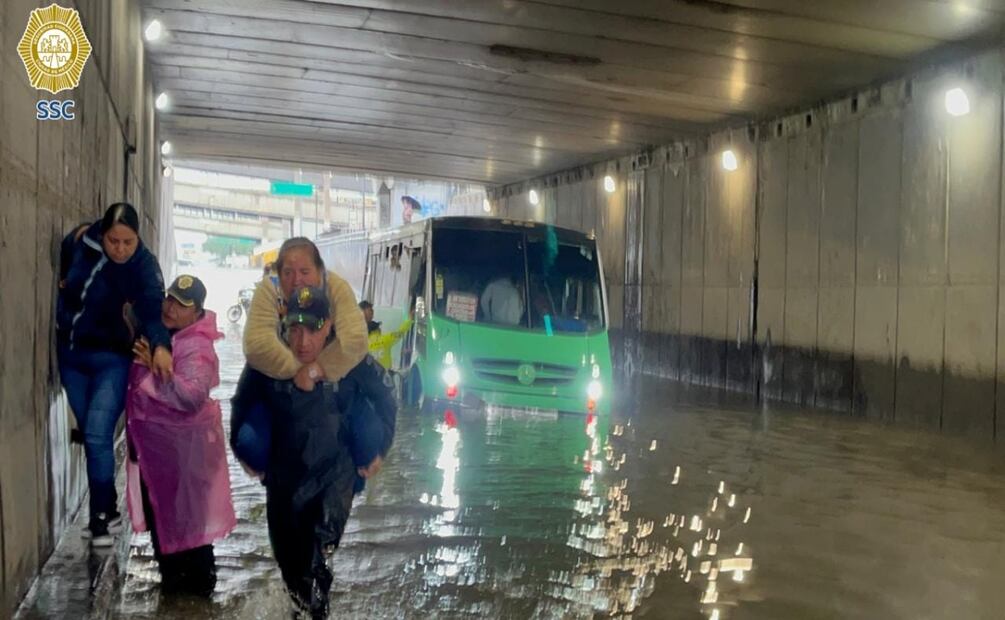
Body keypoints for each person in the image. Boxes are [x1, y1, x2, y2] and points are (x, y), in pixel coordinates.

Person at [231, 286, 389, 619]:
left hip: (336, 473)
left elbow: (387, 398)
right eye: (295, 329)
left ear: (329, 325)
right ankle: (301, 608)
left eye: (313, 330)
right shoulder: (267, 358)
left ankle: (317, 611)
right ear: (284, 325)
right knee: (290, 566)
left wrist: (382, 448)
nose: (303, 341)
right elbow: (241, 403)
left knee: (316, 556)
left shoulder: (350, 358)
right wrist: (242, 449)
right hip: (284, 476)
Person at [57, 202, 173, 545]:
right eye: (113, 241)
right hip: (72, 355)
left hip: (113, 359)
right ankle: (107, 504)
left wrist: (161, 346)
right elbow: (67, 250)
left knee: (96, 433)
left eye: (128, 242)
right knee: (94, 435)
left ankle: (101, 519)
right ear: (102, 233)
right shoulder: (83, 241)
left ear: (138, 239)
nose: (120, 249)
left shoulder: (144, 267)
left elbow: (153, 311)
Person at [124, 275, 236, 595]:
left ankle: (198, 607)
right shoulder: (163, 335)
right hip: (155, 460)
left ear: (197, 311)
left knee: (193, 543)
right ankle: (177, 605)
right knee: (167, 536)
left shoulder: (197, 349)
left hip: (184, 462)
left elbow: (190, 397)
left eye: (181, 304)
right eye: (169, 298)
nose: (170, 307)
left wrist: (160, 371)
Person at [243, 237, 368, 392]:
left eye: (305, 272)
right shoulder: (269, 289)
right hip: (278, 377)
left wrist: (317, 369)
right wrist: (300, 370)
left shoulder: (337, 288)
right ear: (279, 274)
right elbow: (256, 345)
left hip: (333, 375)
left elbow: (355, 340)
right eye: (288, 273)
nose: (296, 281)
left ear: (320, 271)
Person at [359, 300, 413, 370]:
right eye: (370, 310)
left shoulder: (360, 343)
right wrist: (409, 320)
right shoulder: (385, 339)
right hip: (383, 375)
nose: (372, 312)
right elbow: (400, 333)